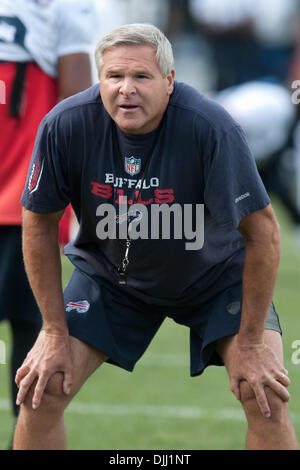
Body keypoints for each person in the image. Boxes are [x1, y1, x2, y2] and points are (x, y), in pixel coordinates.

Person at [14, 23, 298, 450]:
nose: (126, 89)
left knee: (264, 394)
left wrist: (254, 341)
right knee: (43, 389)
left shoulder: (210, 127)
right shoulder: (65, 125)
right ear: (100, 79)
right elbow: (37, 222)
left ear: (169, 81)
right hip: (113, 277)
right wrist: (53, 332)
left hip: (215, 278)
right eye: (114, 77)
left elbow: (264, 235)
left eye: (141, 77)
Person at [0, 0, 96, 444]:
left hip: (25, 205)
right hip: (26, 201)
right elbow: (78, 112)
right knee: (34, 344)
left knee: (36, 347)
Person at [215, 80, 300, 252]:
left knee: (274, 189)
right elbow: (227, 114)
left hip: (251, 158)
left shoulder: (283, 108)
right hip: (217, 143)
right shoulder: (276, 105)